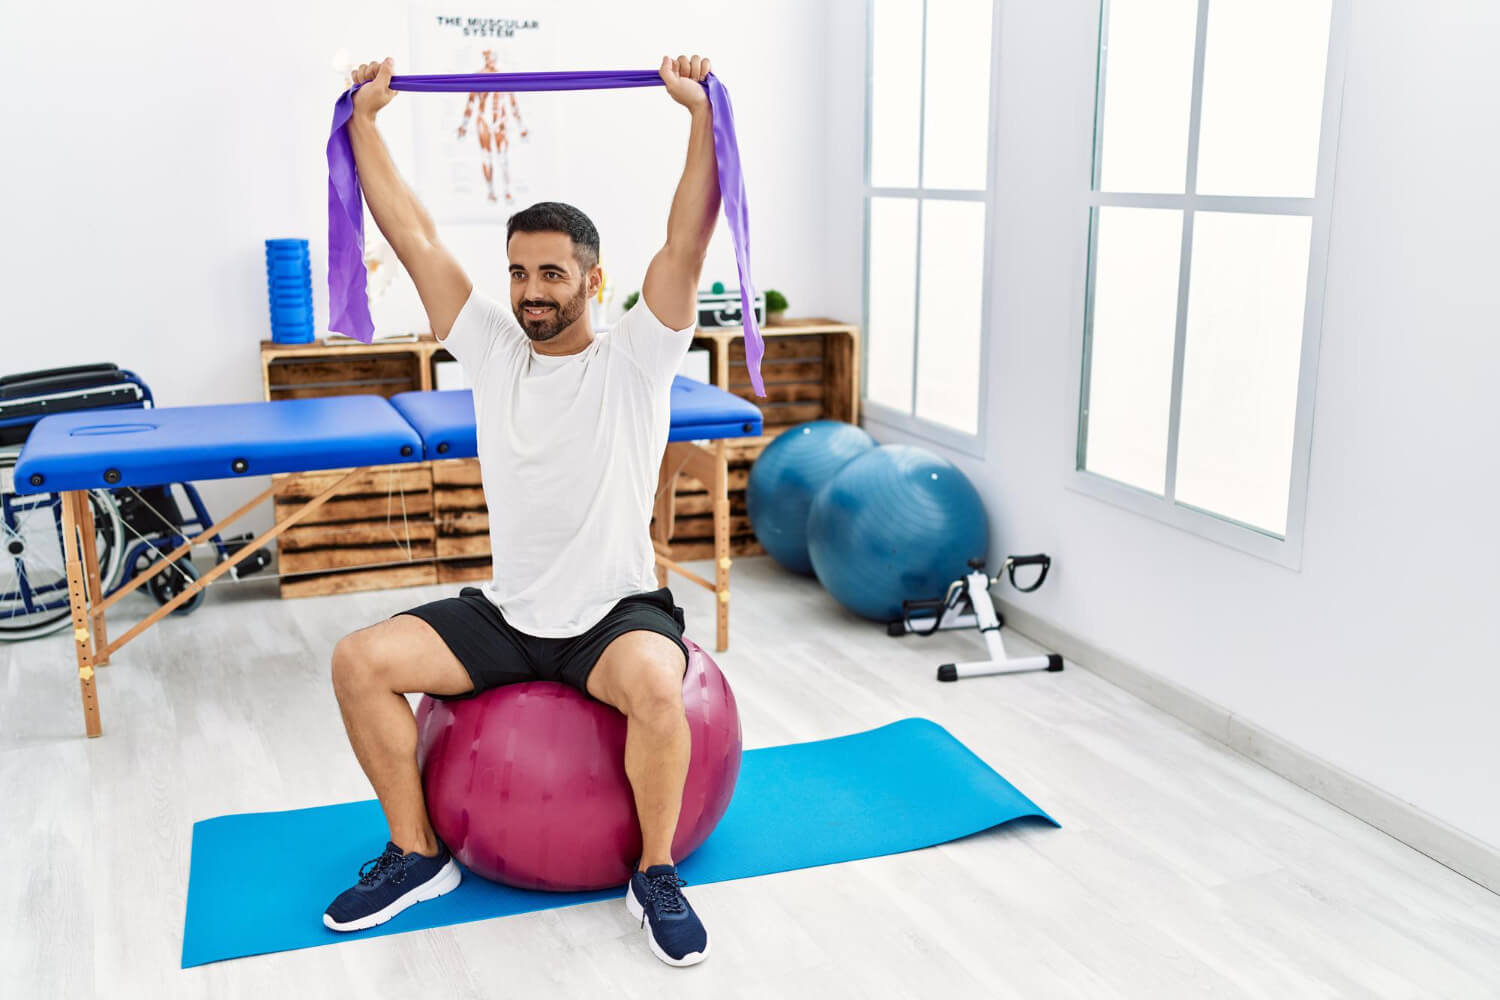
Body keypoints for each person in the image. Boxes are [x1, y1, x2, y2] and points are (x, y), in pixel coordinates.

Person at [321, 53, 721, 968]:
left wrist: (697, 116)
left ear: (592, 278)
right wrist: (365, 124)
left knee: (661, 690)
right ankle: (419, 854)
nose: (532, 290)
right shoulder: (496, 351)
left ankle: (654, 871)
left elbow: (686, 243)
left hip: (613, 614)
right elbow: (416, 237)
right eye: (518, 273)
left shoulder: (635, 358)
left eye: (551, 273)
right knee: (358, 662)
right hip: (511, 613)